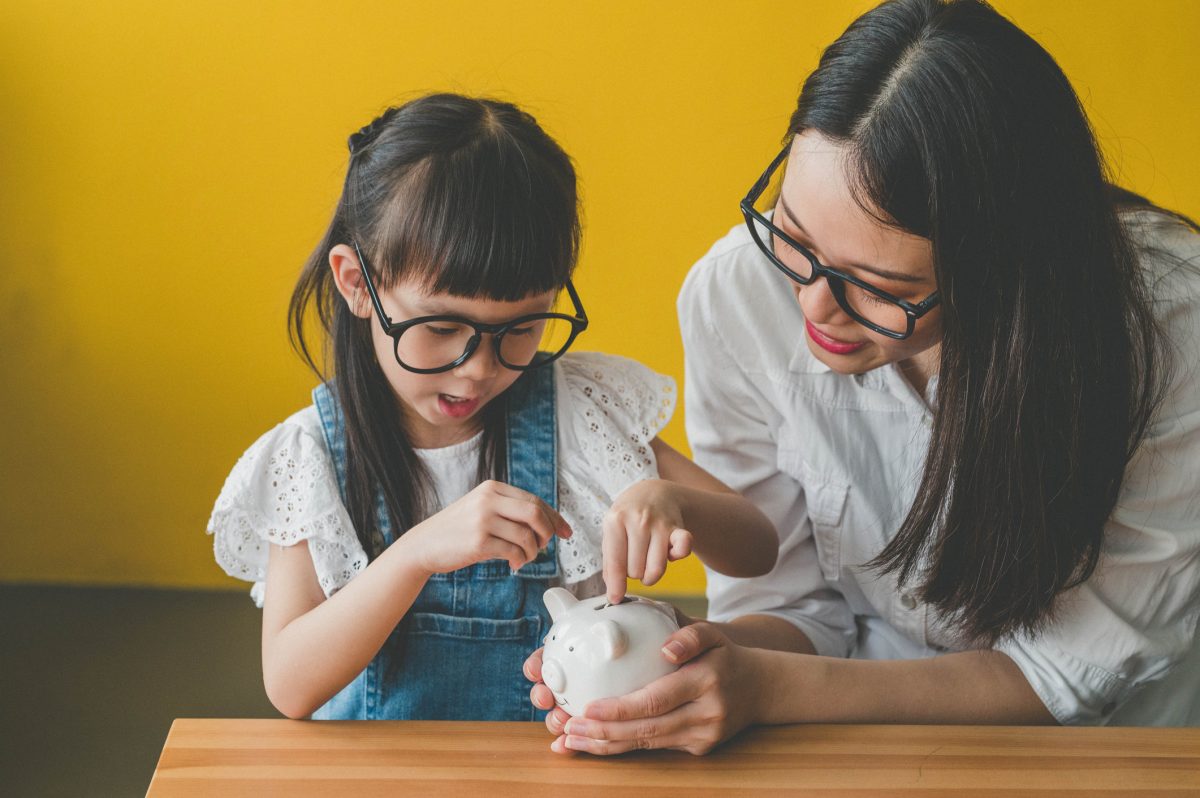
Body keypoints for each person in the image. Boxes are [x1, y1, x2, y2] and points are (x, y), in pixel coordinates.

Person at [525, 0, 1200, 753]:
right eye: (794, 234)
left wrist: (769, 687)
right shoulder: (737, 295)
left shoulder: (1170, 326)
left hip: (1114, 752)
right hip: (852, 735)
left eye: (882, 288)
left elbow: (1073, 669)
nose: (814, 306)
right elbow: (793, 607)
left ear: (1009, 275)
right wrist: (681, 655)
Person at [206, 93, 778, 722]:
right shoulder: (312, 456)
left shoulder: (579, 412)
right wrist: (418, 552)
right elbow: (291, 687)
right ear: (356, 285)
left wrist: (676, 502)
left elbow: (757, 549)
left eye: (522, 328)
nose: (479, 367)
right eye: (443, 327)